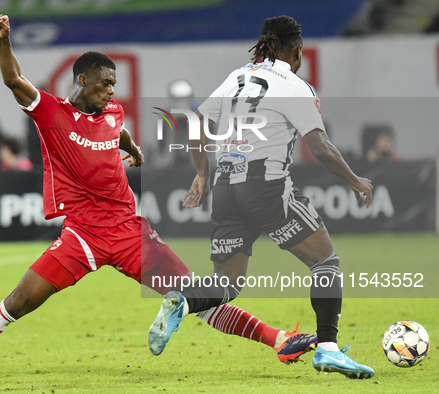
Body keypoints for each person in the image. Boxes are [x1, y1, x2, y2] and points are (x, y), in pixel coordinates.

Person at [0, 15, 316, 384]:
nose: (110, 91)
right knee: (19, 300)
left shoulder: (114, 113)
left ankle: (280, 340)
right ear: (83, 80)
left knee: (192, 297)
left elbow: (117, 132)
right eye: (104, 83)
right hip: (82, 236)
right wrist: (3, 41)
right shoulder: (51, 113)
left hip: (127, 232)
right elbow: (14, 79)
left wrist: (134, 149)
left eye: (113, 85)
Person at [149, 16, 375, 379]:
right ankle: (329, 350)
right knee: (325, 262)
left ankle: (184, 300)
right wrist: (354, 179)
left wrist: (203, 174)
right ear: (297, 50)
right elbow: (320, 145)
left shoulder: (236, 78)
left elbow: (196, 124)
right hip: (266, 185)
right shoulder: (295, 85)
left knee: (227, 284)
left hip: (226, 186)